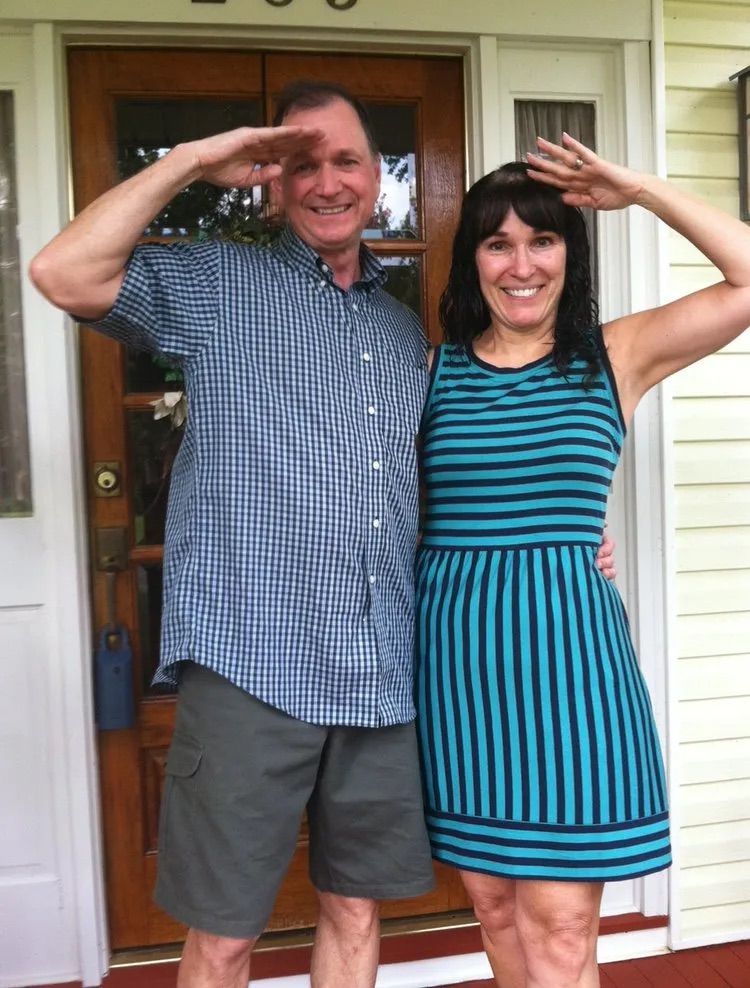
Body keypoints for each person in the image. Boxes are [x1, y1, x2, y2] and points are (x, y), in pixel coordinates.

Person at [29, 82, 615, 988]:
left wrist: (570, 537)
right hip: (252, 658)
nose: (329, 183)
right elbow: (63, 274)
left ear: (377, 175)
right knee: (224, 933)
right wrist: (190, 161)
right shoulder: (220, 282)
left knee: (354, 910)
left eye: (347, 160)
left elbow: (439, 479)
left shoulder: (397, 327)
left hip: (382, 669)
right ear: (272, 181)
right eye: (303, 164)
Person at [415, 133, 750, 988]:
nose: (520, 264)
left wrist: (636, 188)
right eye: (498, 242)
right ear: (473, 261)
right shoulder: (431, 371)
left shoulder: (614, 355)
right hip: (458, 672)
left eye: (543, 238)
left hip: (571, 673)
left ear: (572, 252)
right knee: (493, 910)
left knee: (562, 928)